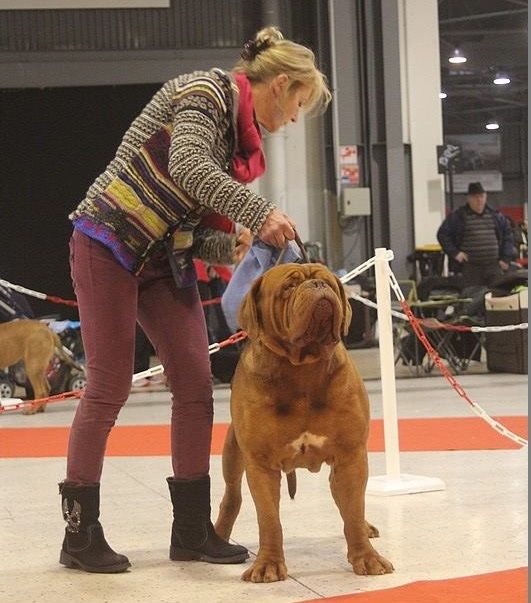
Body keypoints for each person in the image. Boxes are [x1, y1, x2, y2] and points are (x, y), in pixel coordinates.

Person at [59, 26, 331, 574]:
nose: (295, 119)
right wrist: (258, 213)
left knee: (195, 383)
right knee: (108, 386)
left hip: (162, 257)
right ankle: (79, 534)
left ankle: (190, 531)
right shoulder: (205, 92)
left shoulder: (235, 138)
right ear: (279, 85)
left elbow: (181, 214)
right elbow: (185, 167)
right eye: (300, 104)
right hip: (107, 239)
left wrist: (230, 241)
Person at [437, 182, 516, 287]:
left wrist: (506, 258)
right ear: (468, 199)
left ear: (485, 197)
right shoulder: (458, 217)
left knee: (495, 295)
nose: (479, 200)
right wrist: (455, 253)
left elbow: (508, 235)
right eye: (475, 197)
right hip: (470, 268)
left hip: (493, 267)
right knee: (472, 297)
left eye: (481, 196)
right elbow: (442, 234)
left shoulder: (496, 216)